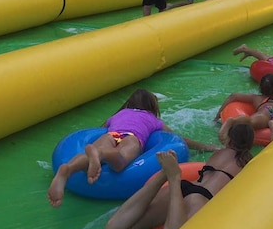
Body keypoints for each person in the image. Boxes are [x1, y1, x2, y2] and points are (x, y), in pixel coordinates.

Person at [47, 89, 217, 207]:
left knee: (96, 151)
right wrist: (206, 146)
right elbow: (179, 139)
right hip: (131, 138)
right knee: (119, 161)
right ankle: (104, 154)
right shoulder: (152, 120)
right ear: (152, 107)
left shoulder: (118, 115)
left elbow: (100, 129)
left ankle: (68, 169)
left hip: (111, 135)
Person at [103, 121, 254, 229]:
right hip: (203, 197)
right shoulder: (248, 162)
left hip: (186, 186)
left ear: (229, 139)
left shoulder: (218, 153)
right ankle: (173, 177)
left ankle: (166, 175)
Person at [214, 73, 273, 142]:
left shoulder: (256, 98)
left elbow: (233, 96)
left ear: (260, 87)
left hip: (264, 110)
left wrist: (218, 115)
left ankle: (233, 120)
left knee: (250, 121)